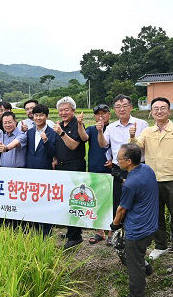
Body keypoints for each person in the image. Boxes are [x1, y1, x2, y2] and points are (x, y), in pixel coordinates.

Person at [130, 97, 173, 265]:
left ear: (169, 110)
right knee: (156, 216)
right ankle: (161, 245)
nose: (159, 111)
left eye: (162, 108)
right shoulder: (147, 132)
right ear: (151, 112)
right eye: (155, 108)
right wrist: (132, 136)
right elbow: (137, 146)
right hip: (152, 181)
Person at [109, 143, 158, 297]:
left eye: (119, 159)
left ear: (128, 161)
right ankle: (146, 267)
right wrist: (123, 179)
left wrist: (114, 225)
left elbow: (122, 209)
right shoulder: (147, 170)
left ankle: (137, 296)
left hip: (138, 228)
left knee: (132, 261)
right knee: (139, 253)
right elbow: (139, 187)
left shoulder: (131, 184)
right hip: (151, 224)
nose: (117, 161)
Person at [97, 94, 149, 231]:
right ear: (114, 109)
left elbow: (145, 146)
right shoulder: (111, 127)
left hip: (137, 169)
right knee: (119, 201)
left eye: (125, 106)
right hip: (118, 169)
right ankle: (120, 232)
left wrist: (133, 136)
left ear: (131, 107)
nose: (122, 109)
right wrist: (100, 132)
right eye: (118, 107)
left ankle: (136, 230)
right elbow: (103, 144)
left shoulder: (142, 124)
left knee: (137, 200)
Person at [52, 96, 87, 249]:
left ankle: (75, 236)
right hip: (61, 166)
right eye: (61, 110)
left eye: (66, 110)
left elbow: (73, 146)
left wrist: (61, 133)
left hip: (75, 166)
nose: (63, 112)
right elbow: (57, 146)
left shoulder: (78, 125)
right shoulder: (60, 125)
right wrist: (54, 158)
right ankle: (70, 231)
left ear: (73, 110)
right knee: (65, 200)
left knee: (74, 200)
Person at [82, 104, 114, 244]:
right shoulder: (91, 129)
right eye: (98, 114)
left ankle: (112, 233)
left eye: (104, 113)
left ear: (109, 114)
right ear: (94, 116)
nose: (101, 116)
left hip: (112, 170)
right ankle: (99, 232)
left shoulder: (114, 128)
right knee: (97, 201)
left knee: (112, 202)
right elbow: (84, 137)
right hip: (94, 169)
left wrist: (114, 160)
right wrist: (79, 124)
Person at [24, 104, 57, 237]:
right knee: (32, 200)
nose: (38, 118)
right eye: (36, 115)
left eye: (41, 115)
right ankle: (35, 228)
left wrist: (46, 141)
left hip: (45, 171)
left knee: (44, 201)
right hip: (30, 170)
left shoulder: (52, 133)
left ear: (46, 117)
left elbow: (54, 152)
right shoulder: (30, 132)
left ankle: (46, 230)